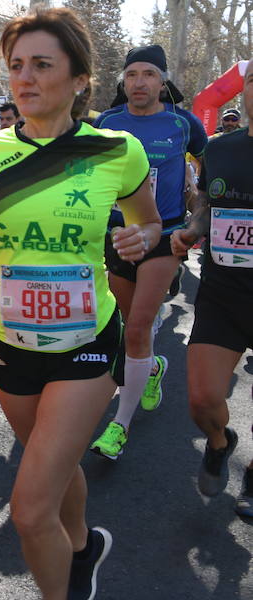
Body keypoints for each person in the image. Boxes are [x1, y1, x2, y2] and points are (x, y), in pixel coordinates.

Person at [0, 8, 160, 599]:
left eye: (43, 64)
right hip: (6, 343)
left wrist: (141, 238)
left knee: (29, 507)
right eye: (16, 66)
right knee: (57, 467)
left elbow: (151, 223)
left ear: (79, 80)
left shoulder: (117, 150)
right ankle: (85, 546)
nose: (26, 78)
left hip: (86, 342)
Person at [89, 45, 207, 460]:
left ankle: (119, 425)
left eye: (149, 75)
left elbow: (208, 181)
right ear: (124, 81)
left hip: (164, 238)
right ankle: (152, 367)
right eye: (132, 75)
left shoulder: (183, 123)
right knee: (124, 325)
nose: (139, 82)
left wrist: (195, 226)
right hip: (119, 237)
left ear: (162, 80)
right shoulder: (107, 123)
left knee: (138, 328)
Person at [171, 58, 253, 518]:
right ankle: (220, 443)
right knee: (202, 401)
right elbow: (206, 200)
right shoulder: (220, 148)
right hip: (223, 290)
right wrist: (191, 229)